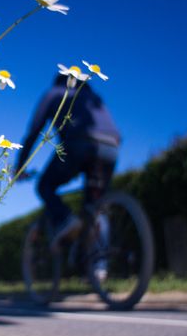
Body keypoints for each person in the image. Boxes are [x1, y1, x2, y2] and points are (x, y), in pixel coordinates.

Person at [15, 71, 120, 250]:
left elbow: (34, 132)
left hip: (80, 143)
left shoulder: (54, 93)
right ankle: (98, 267)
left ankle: (66, 219)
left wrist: (20, 166)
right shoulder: (94, 97)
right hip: (112, 147)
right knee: (96, 205)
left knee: (44, 186)